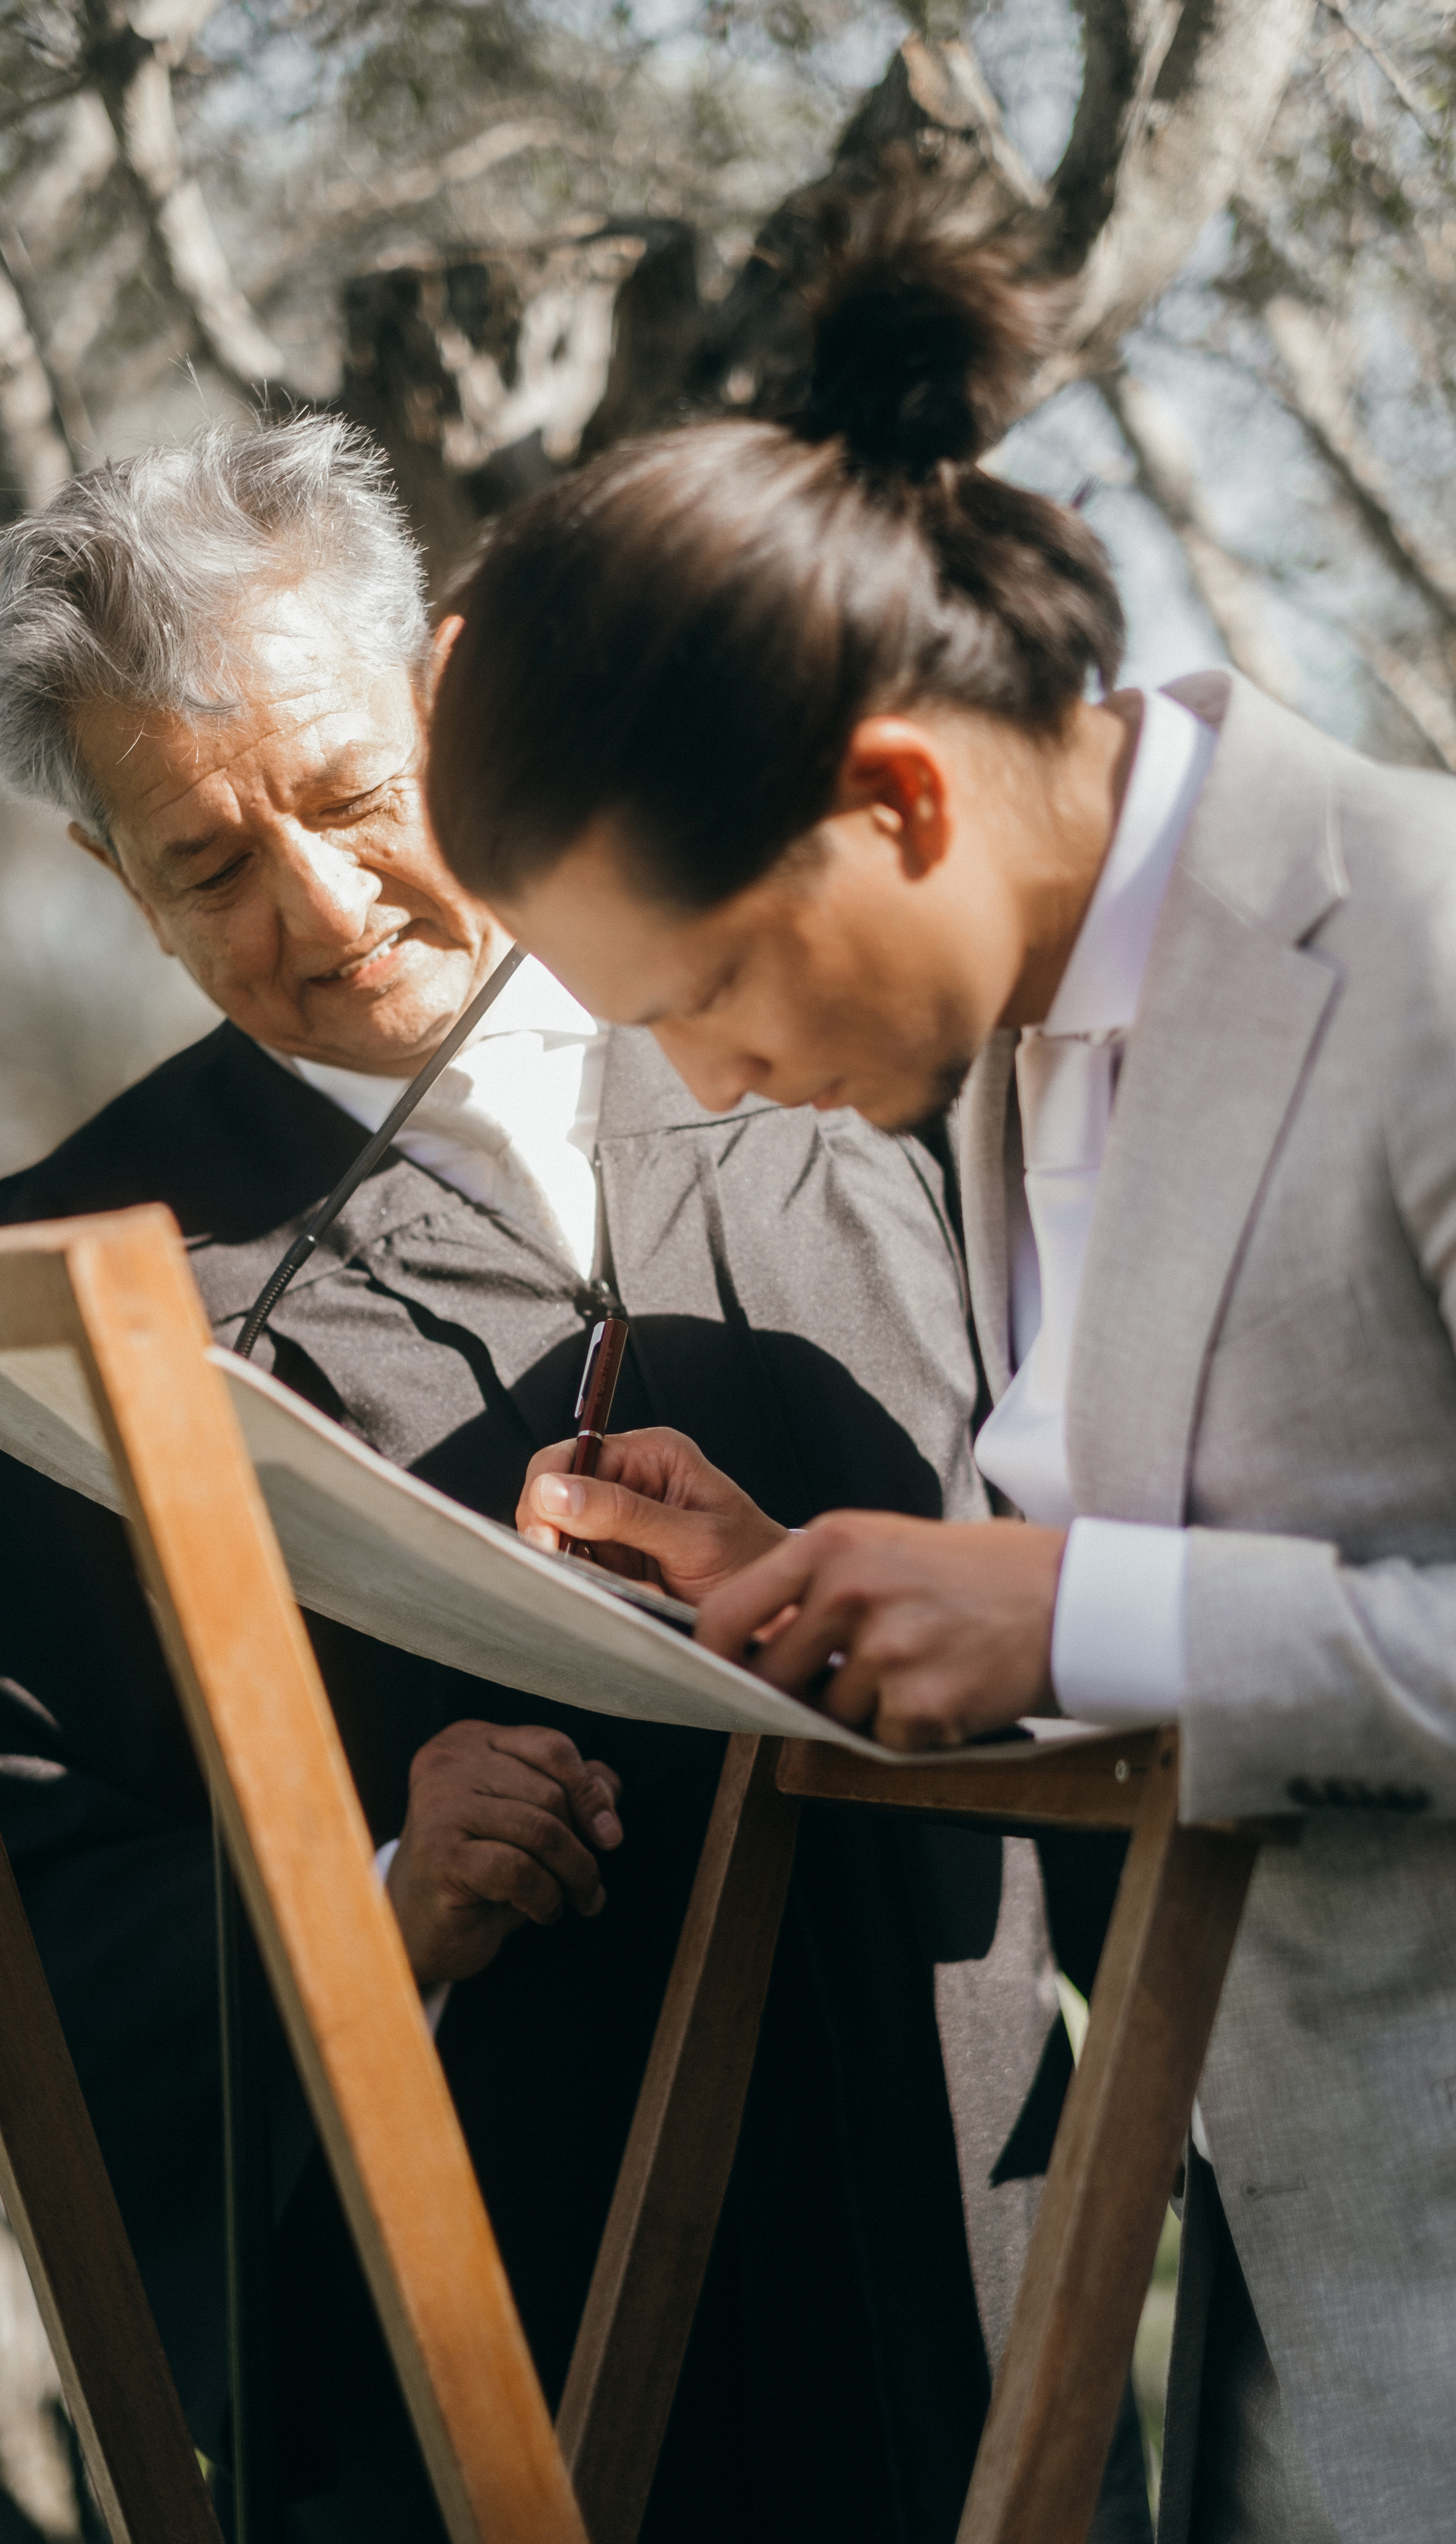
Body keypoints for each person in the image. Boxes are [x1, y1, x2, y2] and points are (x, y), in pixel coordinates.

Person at [0, 418, 1149, 2543]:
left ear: (444, 695)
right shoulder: (27, 1329)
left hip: (978, 2275)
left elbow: (1141, 1632)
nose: (322, 914)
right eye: (208, 865)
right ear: (106, 880)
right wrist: (355, 1906)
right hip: (493, 2389)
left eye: (346, 796)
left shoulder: (868, 1084)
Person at [423, 188, 1456, 2544]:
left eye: (696, 989)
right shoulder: (1005, 1052)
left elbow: (1178, 1611)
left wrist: (1072, 1611)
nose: (693, 1081)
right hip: (1293, 2320)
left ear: (896, 799)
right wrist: (845, 1593)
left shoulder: (1423, 952)